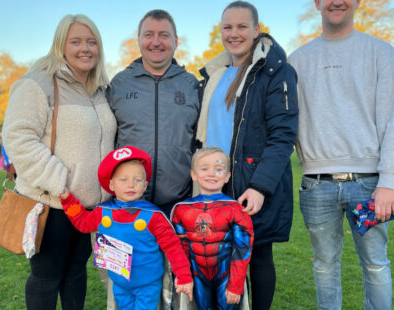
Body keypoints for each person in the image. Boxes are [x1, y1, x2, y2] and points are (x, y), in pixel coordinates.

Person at [288, 0, 394, 309]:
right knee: (324, 266)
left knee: (375, 264)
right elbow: (284, 122)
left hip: (369, 185)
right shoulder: (298, 60)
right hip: (316, 184)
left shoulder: (381, 53)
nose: (336, 1)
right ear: (317, 3)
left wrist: (389, 182)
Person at [2, 14, 116, 309]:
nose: (85, 48)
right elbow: (19, 139)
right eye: (75, 41)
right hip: (53, 202)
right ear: (60, 45)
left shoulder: (99, 88)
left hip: (88, 207)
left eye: (92, 42)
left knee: (76, 274)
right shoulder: (38, 82)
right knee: (46, 276)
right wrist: (61, 182)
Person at [195, 2, 298, 309]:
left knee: (257, 256)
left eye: (242, 27)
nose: (234, 33)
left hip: (251, 182)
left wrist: (260, 186)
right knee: (216, 259)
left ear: (256, 30)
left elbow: (283, 135)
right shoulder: (215, 75)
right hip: (214, 183)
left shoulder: (276, 72)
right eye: (228, 27)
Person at [59, 146, 193, 309]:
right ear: (112, 185)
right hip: (120, 282)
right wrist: (68, 200)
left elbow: (173, 247)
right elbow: (83, 222)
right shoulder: (103, 212)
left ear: (144, 185)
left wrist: (184, 276)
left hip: (147, 284)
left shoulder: (154, 216)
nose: (131, 185)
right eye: (124, 180)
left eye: (137, 181)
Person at [107, 9, 200, 217]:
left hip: (179, 205)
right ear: (139, 40)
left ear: (176, 41)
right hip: (127, 204)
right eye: (149, 35)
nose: (156, 42)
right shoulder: (119, 85)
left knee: (174, 252)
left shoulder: (192, 86)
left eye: (164, 35)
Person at [171, 147, 253, 310]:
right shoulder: (182, 210)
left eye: (218, 169)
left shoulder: (235, 210)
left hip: (226, 276)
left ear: (227, 176)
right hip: (197, 275)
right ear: (194, 175)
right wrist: (182, 276)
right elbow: (179, 248)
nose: (211, 173)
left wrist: (235, 285)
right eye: (204, 168)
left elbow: (242, 249)